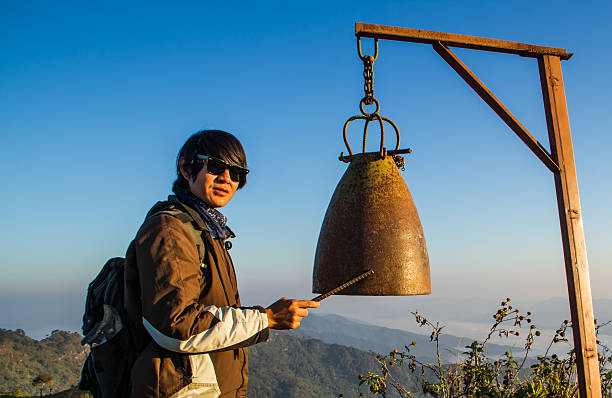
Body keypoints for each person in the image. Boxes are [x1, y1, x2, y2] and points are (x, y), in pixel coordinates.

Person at [124, 130, 319, 398]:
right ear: (185, 167)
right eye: (216, 167)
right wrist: (267, 318)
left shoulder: (207, 232)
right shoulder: (170, 229)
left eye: (236, 173)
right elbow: (177, 326)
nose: (226, 178)